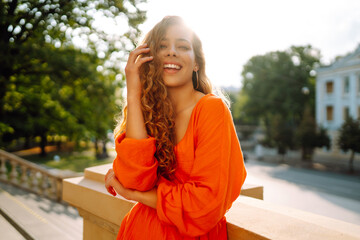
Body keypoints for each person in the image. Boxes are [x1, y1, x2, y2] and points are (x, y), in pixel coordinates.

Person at [105, 16, 247, 240]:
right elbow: (134, 179)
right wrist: (133, 89)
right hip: (140, 230)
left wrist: (136, 195)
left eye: (182, 46)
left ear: (197, 62)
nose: (171, 52)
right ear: (150, 58)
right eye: (162, 46)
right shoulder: (149, 112)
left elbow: (206, 204)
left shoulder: (212, 109)